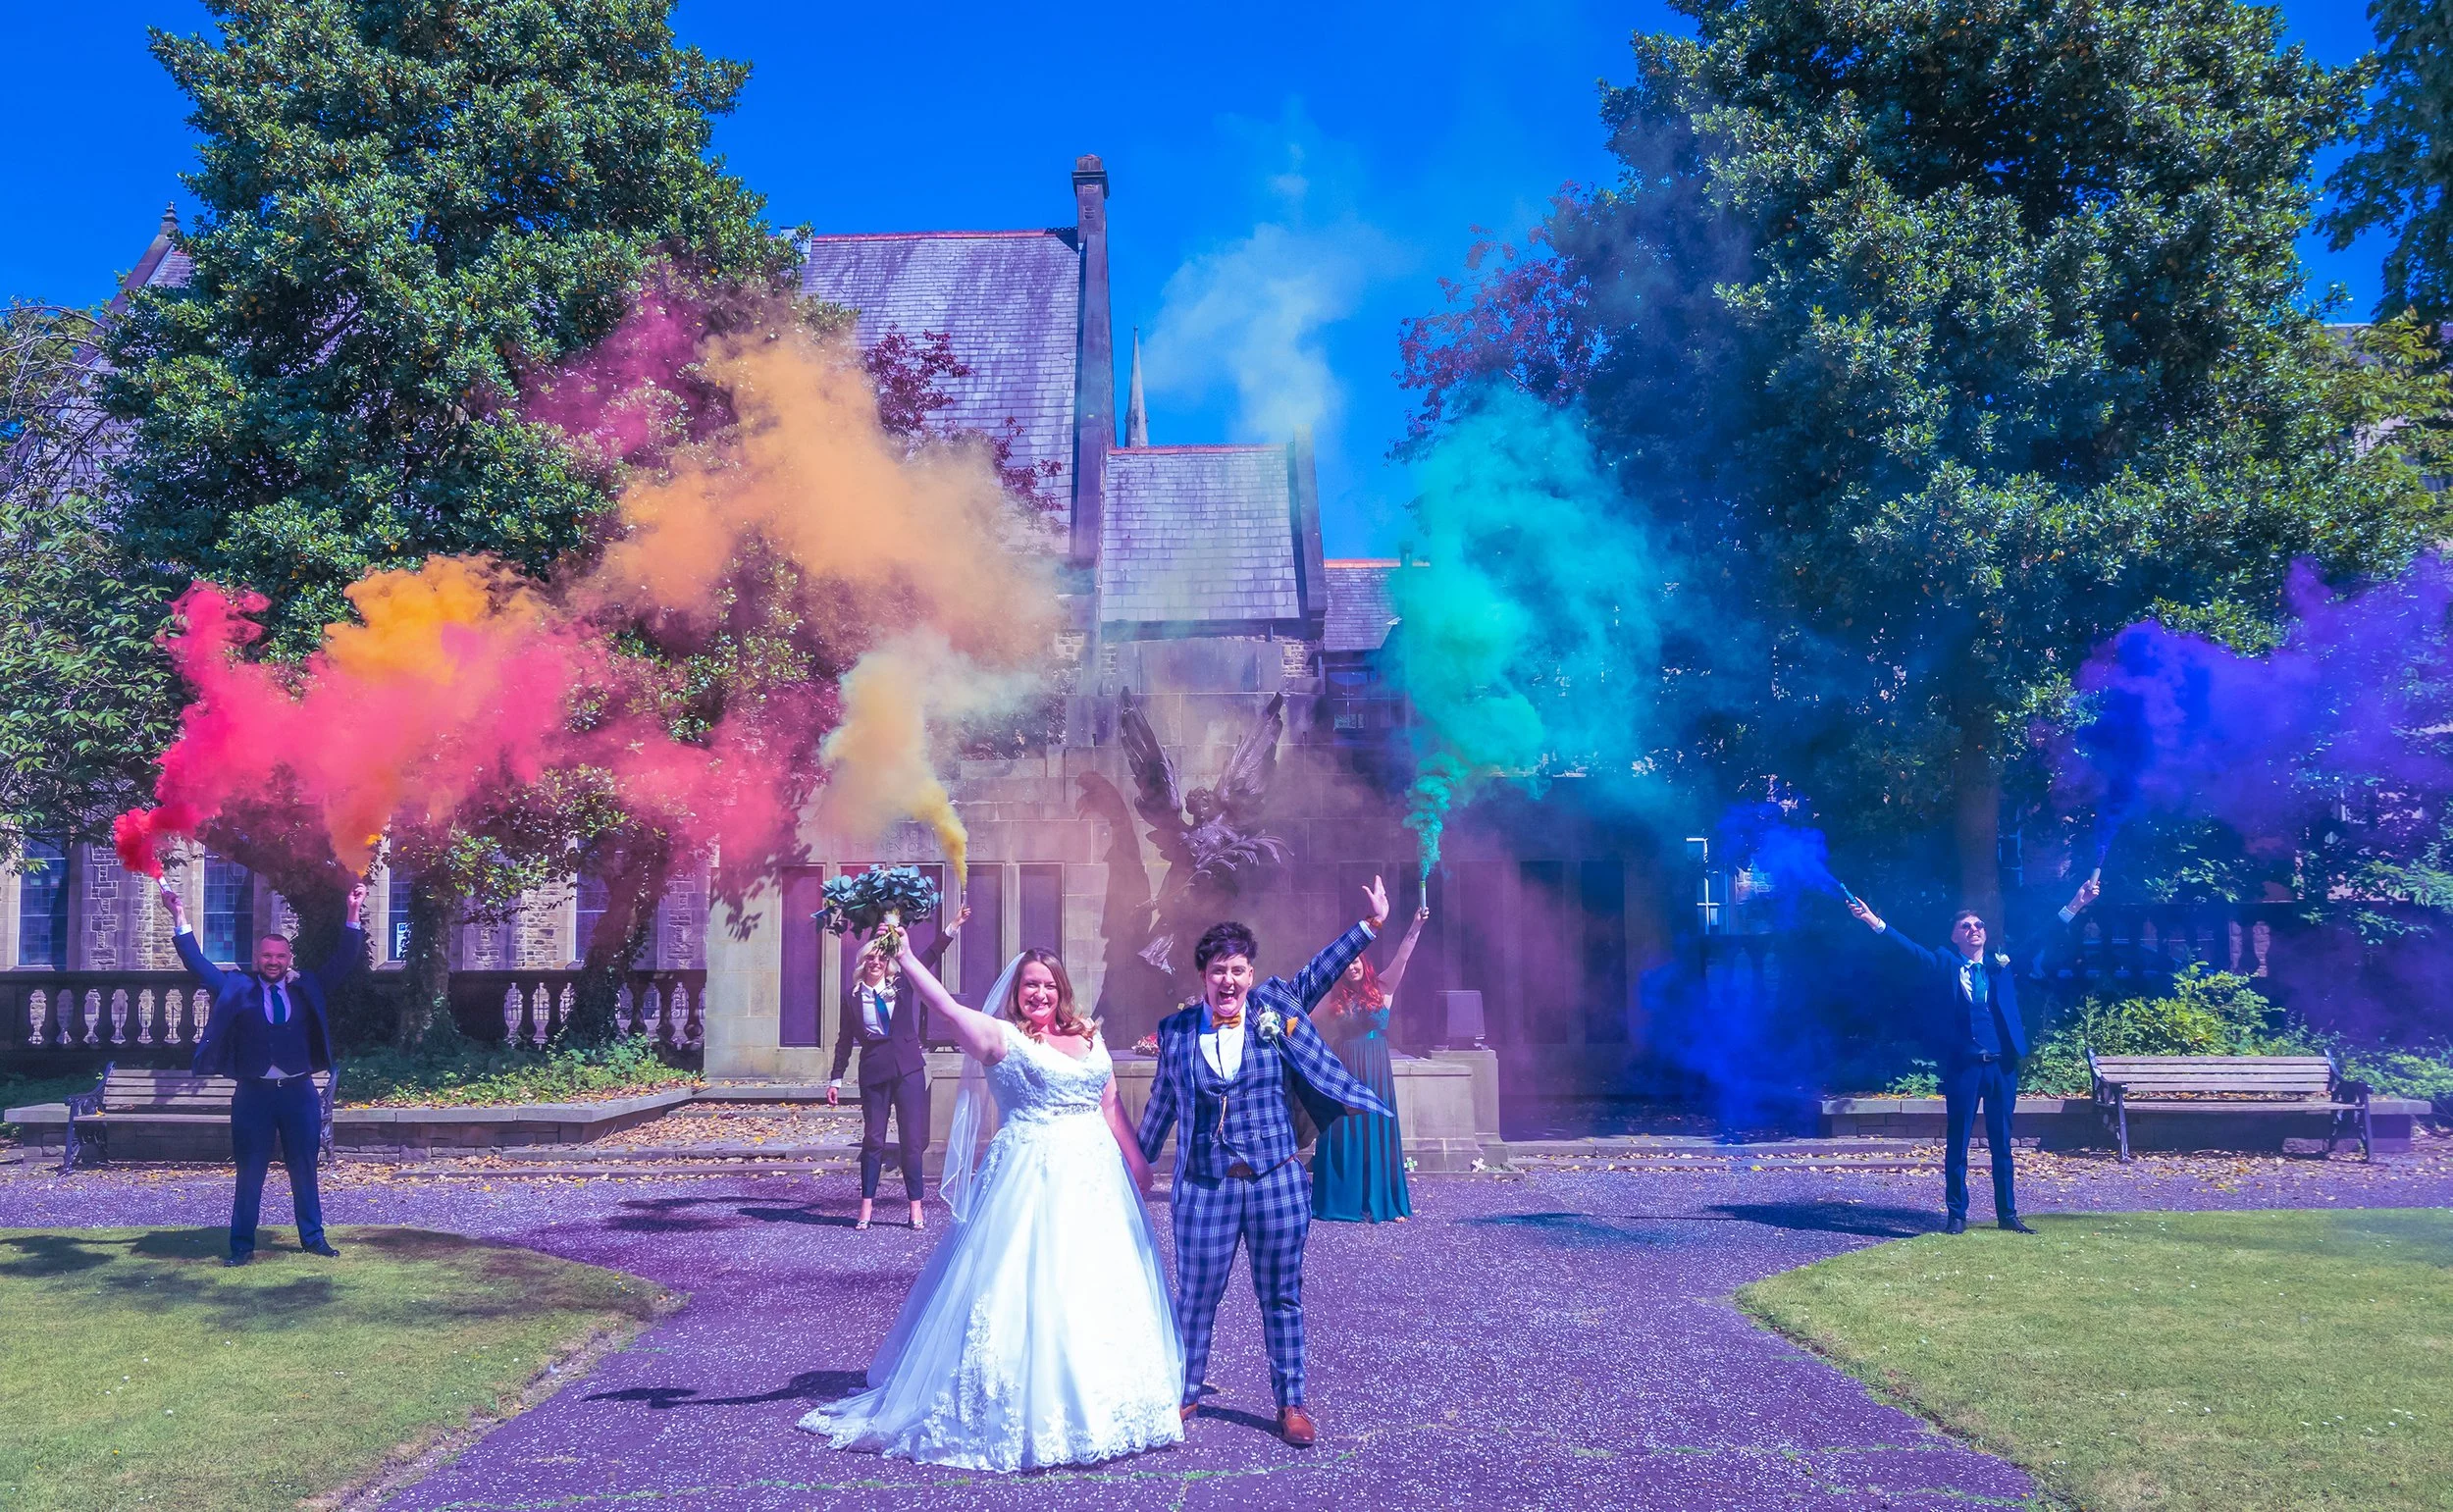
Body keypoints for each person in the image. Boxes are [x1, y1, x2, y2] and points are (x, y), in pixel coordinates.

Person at [799, 942, 1183, 1471]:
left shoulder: (1088, 1036)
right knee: (1032, 1286)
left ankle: (1111, 1400)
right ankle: (1029, 1404)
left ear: (1061, 988)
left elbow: (1110, 1105)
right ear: (1017, 992)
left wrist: (1138, 1163)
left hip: (1097, 1182)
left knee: (1099, 1283)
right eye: (1030, 984)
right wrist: (906, 956)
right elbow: (947, 1010)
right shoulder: (1000, 1038)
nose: (1039, 993)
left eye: (1048, 983)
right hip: (1032, 1179)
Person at [1137, 877, 1398, 1448]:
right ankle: (1185, 1390)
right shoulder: (1177, 1033)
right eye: (1217, 972)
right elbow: (1161, 1105)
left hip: (1276, 1180)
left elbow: (1319, 972)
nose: (1227, 981)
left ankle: (1292, 1402)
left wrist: (1370, 926)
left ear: (1249, 975)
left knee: (1281, 1295)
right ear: (1203, 978)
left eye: (1237, 970)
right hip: (1205, 1187)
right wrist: (1133, 1165)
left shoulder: (1275, 1007)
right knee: (1197, 1294)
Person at [1847, 877, 2098, 1234]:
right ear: (1955, 936)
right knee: (1958, 1142)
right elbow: (1907, 948)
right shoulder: (1944, 964)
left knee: (2002, 1143)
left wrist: (2076, 902)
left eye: (1979, 925)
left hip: (2001, 1067)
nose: (1974, 929)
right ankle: (1957, 1215)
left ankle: (2007, 1215)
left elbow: (2042, 935)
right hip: (1963, 1066)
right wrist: (1873, 921)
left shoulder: (2001, 963)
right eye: (1965, 926)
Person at [161, 876, 367, 1267]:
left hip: (299, 1093)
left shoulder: (308, 986)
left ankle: (313, 1239)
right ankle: (241, 1247)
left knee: (304, 1169)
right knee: (250, 1172)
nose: (274, 962)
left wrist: (352, 912)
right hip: (253, 1095)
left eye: (281, 956)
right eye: (267, 956)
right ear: (258, 959)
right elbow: (198, 964)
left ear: (289, 959)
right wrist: (180, 916)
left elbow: (343, 960)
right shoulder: (236, 987)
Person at [827, 907, 966, 1230]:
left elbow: (929, 955)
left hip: (908, 1070)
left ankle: (915, 1207)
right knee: (873, 1140)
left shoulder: (902, 984)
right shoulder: (851, 997)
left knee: (910, 1140)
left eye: (880, 959)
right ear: (862, 963)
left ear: (887, 963)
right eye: (869, 959)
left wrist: (953, 926)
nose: (875, 963)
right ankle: (866, 1206)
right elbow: (845, 1040)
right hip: (874, 1071)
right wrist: (836, 1077)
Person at [1312, 900, 1430, 1223]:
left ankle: (1384, 1201)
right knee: (1343, 1129)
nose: (1352, 966)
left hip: (1376, 1067)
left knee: (1376, 1130)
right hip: (1346, 1065)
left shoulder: (1383, 988)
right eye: (1346, 963)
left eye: (1356, 961)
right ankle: (1342, 1200)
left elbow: (1403, 956)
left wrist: (1415, 926)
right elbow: (1303, 1018)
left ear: (1364, 962)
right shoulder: (1335, 997)